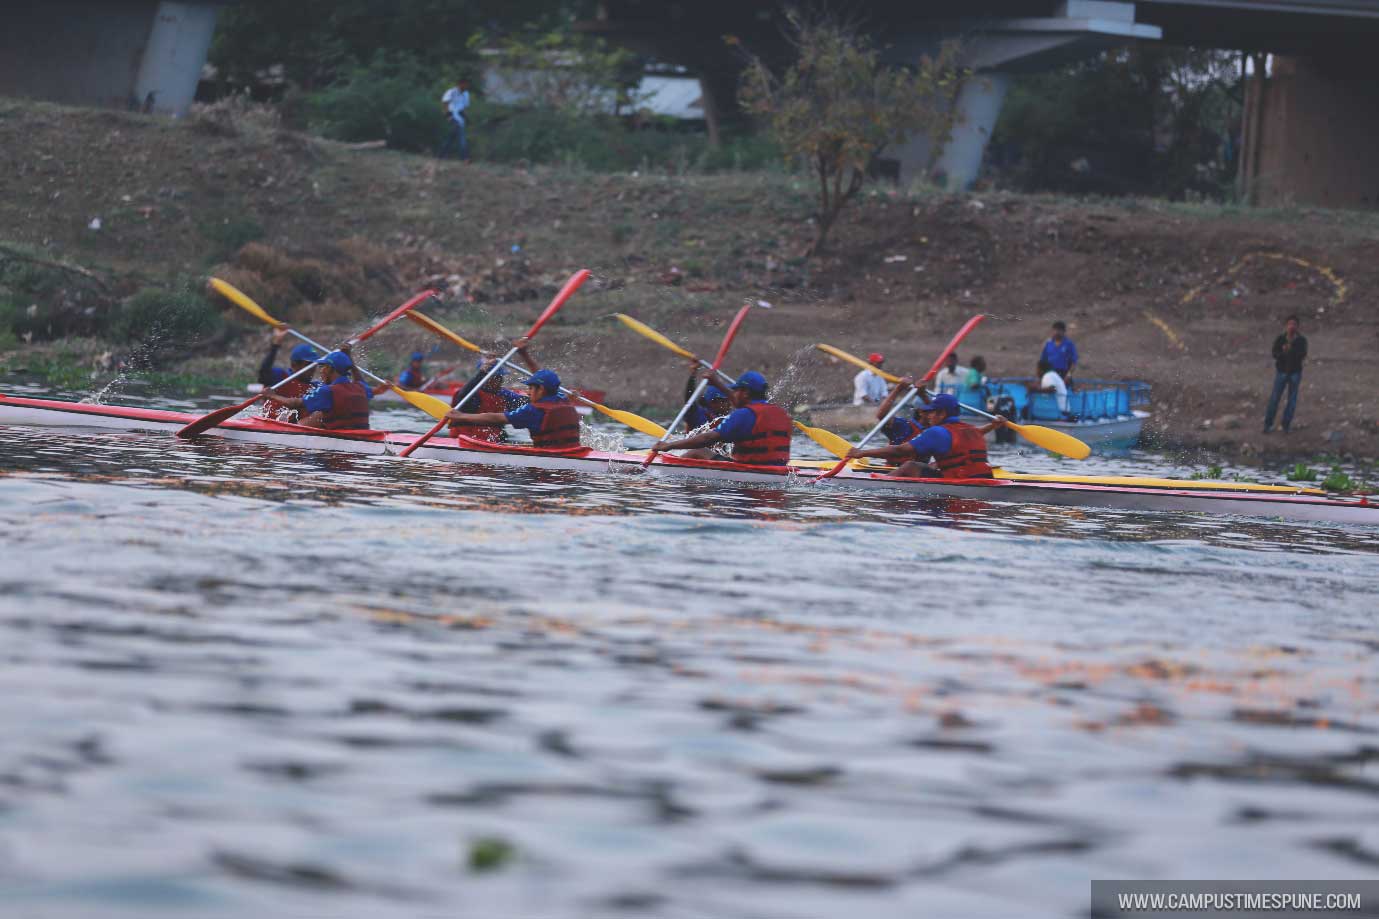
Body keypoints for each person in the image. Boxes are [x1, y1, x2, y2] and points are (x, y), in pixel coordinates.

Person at [652, 370, 792, 466]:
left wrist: (668, 446)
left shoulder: (743, 415)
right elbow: (740, 403)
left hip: (749, 471)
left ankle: (667, 471)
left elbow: (707, 439)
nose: (732, 396)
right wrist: (717, 383)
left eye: (736, 390)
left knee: (698, 452)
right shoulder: (781, 413)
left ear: (745, 393)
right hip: (778, 472)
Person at [846, 393, 1001, 479]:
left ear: (942, 414)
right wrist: (993, 425)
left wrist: (861, 453)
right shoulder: (972, 429)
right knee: (932, 465)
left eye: (932, 412)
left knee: (909, 466)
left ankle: (879, 485)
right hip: (986, 478)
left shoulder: (937, 432)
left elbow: (900, 451)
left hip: (962, 482)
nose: (929, 416)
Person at [446, 366, 582, 449]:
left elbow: (496, 418)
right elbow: (544, 378)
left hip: (552, 458)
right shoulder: (562, 399)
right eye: (496, 378)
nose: (528, 392)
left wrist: (460, 416)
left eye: (530, 388)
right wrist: (524, 354)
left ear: (540, 389)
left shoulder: (533, 410)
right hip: (570, 450)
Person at [265, 351, 374, 430]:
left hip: (342, 438)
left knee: (318, 414)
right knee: (320, 413)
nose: (321, 371)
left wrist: (272, 395)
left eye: (323, 366)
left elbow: (294, 403)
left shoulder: (327, 391)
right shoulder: (361, 387)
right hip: (363, 434)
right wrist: (350, 359)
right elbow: (362, 382)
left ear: (329, 369)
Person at [447, 356, 528, 443]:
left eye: (500, 377)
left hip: (493, 441)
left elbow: (527, 403)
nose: (500, 381)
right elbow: (466, 392)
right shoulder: (470, 394)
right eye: (496, 377)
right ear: (485, 378)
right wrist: (482, 373)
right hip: (464, 440)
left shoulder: (504, 394)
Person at [257, 328, 318, 420]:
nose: (313, 369)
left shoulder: (315, 387)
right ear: (294, 365)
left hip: (298, 428)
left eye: (314, 365)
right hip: (271, 424)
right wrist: (276, 344)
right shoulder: (280, 377)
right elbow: (263, 373)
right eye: (309, 365)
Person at [1264, 314, 1308, 433]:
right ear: (1286, 326)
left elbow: (1302, 354)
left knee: (1291, 401)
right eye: (1290, 324)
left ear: (1298, 327)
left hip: (1295, 373)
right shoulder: (1281, 339)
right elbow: (1275, 353)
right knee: (1275, 399)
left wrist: (1291, 350)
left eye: (1294, 324)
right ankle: (1268, 425)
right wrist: (1283, 352)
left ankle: (1286, 425)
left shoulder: (1301, 340)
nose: (1291, 327)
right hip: (1282, 372)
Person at [683, 363, 732, 431]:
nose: (730, 404)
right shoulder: (699, 415)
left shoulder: (729, 418)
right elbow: (690, 400)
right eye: (724, 401)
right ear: (713, 403)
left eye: (729, 400)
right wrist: (693, 374)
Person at [438, 78, 471, 161]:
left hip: (460, 119)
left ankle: (441, 155)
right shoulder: (451, 92)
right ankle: (465, 158)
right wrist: (448, 116)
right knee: (462, 138)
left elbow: (464, 108)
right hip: (453, 118)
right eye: (465, 84)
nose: (467, 86)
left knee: (450, 138)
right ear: (460, 84)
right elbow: (445, 103)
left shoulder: (466, 94)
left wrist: (467, 118)